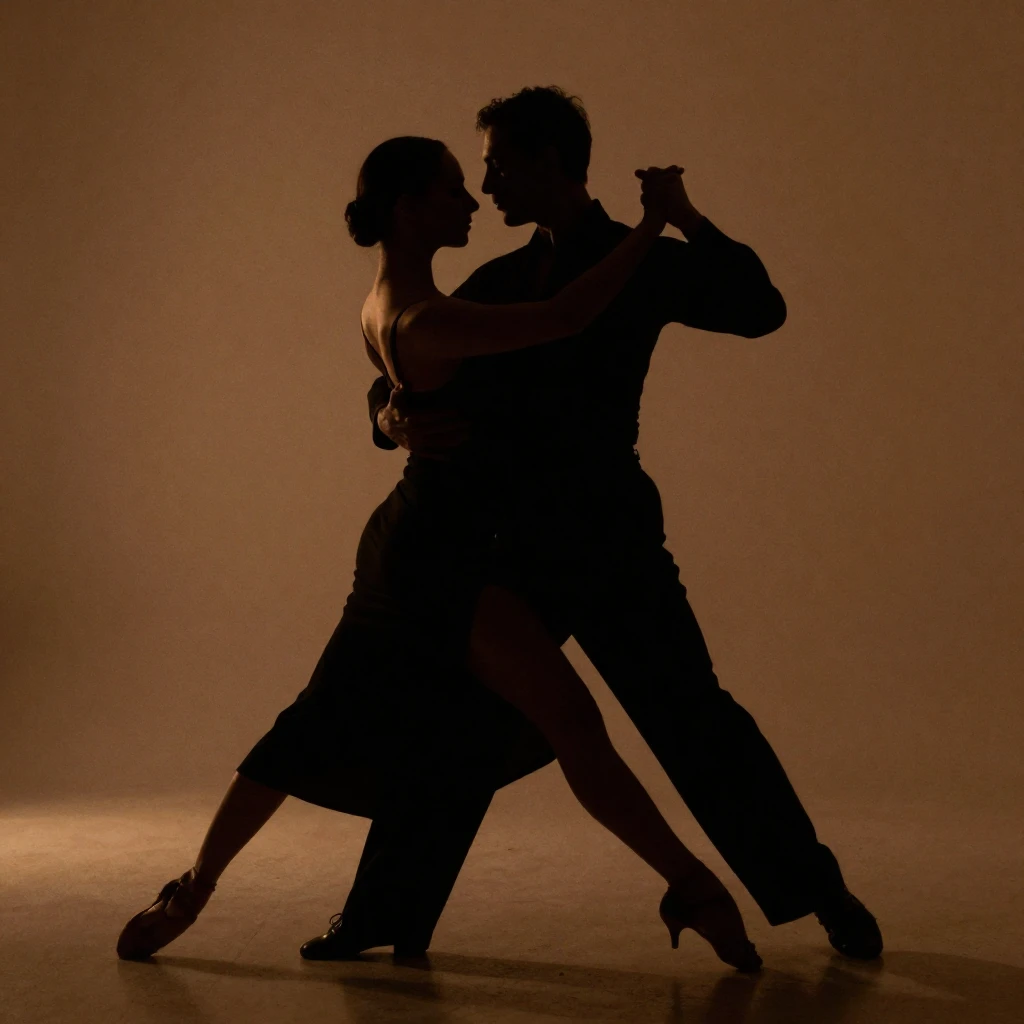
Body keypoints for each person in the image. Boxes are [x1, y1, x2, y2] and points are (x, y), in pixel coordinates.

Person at [115, 135, 762, 973]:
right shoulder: (432, 315)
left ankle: (194, 891)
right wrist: (650, 227)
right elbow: (566, 318)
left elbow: (406, 393)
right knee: (345, 726)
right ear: (410, 207)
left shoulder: (389, 302)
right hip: (429, 562)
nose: (470, 201)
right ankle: (193, 889)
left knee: (387, 725)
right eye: (454, 189)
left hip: (435, 545)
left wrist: (392, 416)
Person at [311, 86, 882, 963]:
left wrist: (686, 217)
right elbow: (407, 362)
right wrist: (390, 417)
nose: (488, 186)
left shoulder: (634, 258)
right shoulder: (499, 277)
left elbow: (759, 307)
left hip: (609, 539)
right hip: (503, 547)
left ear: (549, 163)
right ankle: (382, 915)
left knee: (694, 718)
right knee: (452, 721)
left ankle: (818, 890)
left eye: (500, 165)